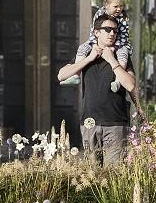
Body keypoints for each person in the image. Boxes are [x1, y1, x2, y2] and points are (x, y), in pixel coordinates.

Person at [59, 14, 139, 161]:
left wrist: (111, 60)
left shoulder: (121, 56)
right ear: (96, 32)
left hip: (115, 123)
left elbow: (130, 84)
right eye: (107, 29)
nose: (112, 34)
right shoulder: (86, 53)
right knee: (92, 175)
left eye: (115, 31)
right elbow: (61, 75)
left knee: (113, 176)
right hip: (89, 123)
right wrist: (90, 58)